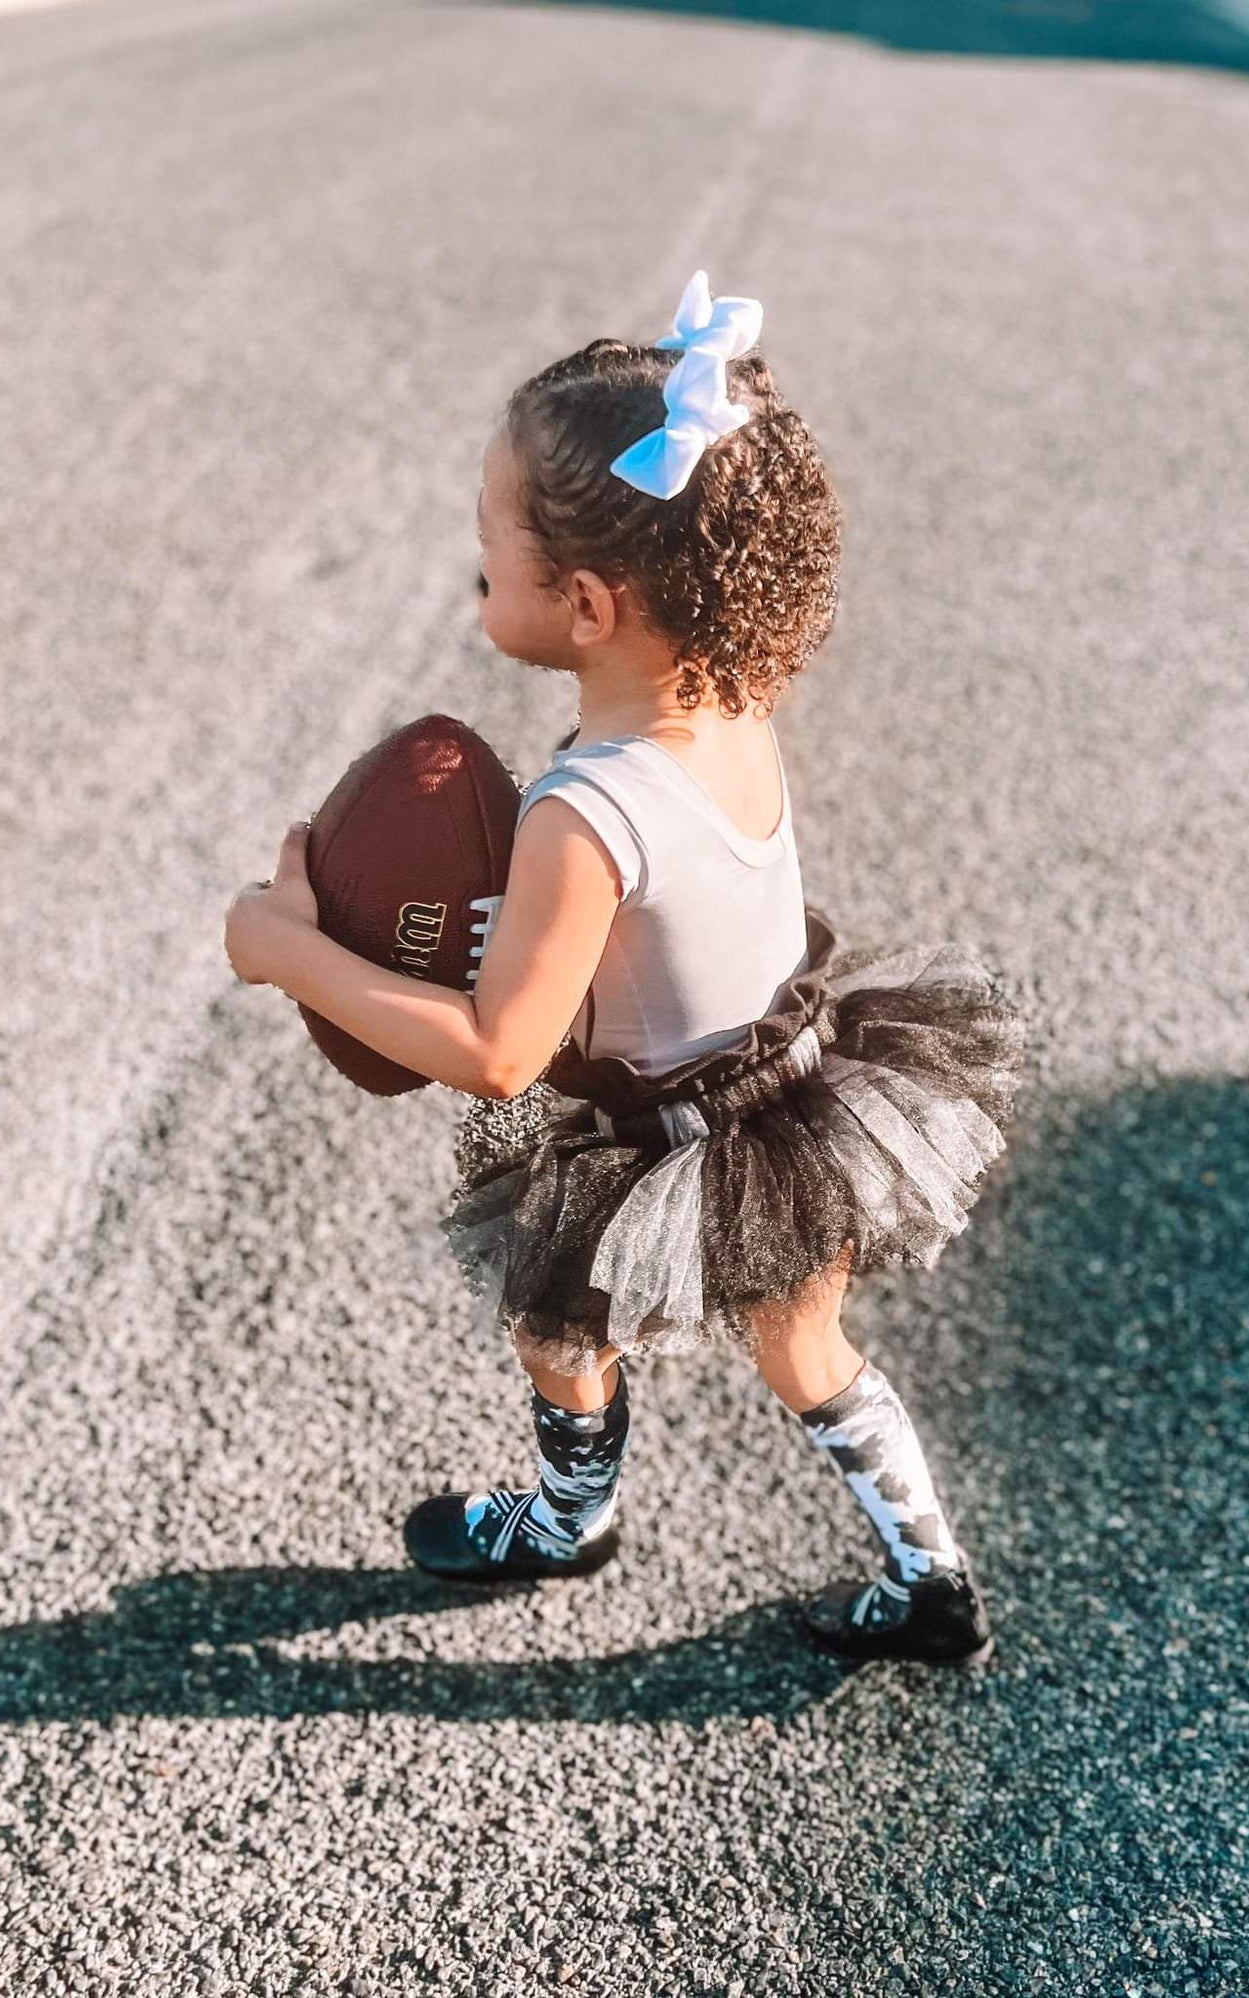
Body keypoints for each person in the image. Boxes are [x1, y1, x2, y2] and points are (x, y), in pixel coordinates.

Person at [225, 272, 1027, 1666]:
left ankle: (566, 1514)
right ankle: (929, 1568)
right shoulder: (733, 690)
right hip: (790, 1087)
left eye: (491, 548)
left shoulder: (578, 811)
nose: (473, 558)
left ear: (586, 604)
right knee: (807, 1355)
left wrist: (285, 946)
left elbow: (496, 1055)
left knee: (553, 1307)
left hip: (653, 1123)